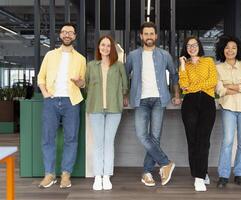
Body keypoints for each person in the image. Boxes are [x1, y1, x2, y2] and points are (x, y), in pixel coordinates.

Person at [125, 22, 181, 187]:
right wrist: (125, 94)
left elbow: (174, 74)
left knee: (155, 138)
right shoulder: (133, 55)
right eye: (146, 34)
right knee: (143, 135)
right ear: (141, 36)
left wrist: (176, 94)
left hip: (159, 100)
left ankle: (147, 172)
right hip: (140, 100)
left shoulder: (165, 55)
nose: (149, 36)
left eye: (152, 34)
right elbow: (124, 75)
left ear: (156, 36)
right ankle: (165, 162)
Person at [37, 22, 86, 188]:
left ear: (75, 36)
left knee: (71, 139)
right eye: (64, 32)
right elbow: (40, 77)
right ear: (60, 35)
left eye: (70, 33)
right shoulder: (50, 55)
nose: (67, 35)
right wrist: (45, 94)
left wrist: (80, 82)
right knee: (47, 138)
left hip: (71, 102)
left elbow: (82, 83)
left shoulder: (81, 59)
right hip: (51, 101)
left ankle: (66, 175)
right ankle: (49, 174)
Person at [85, 35, 128, 190]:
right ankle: (97, 176)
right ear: (98, 47)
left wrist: (123, 96)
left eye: (108, 45)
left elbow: (125, 85)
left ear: (112, 48)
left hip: (114, 109)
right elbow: (86, 85)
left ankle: (106, 176)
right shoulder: (91, 66)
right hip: (95, 108)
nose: (105, 48)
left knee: (109, 142)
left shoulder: (119, 66)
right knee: (98, 143)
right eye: (103, 45)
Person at [215, 35, 241, 188]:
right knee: (227, 142)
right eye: (227, 48)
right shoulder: (218, 68)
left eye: (233, 48)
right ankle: (223, 175)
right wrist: (239, 86)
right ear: (222, 50)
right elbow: (219, 90)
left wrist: (230, 86)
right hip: (228, 107)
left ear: (238, 49)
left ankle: (239, 174)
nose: (230, 50)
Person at [178, 36, 218, 192]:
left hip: (207, 102)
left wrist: (194, 86)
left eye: (194, 45)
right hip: (189, 104)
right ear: (186, 48)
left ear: (199, 46)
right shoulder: (184, 65)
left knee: (204, 140)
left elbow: (212, 81)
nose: (192, 48)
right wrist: (182, 65)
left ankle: (200, 175)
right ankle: (199, 174)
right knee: (192, 140)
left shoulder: (208, 61)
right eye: (188, 46)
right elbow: (183, 85)